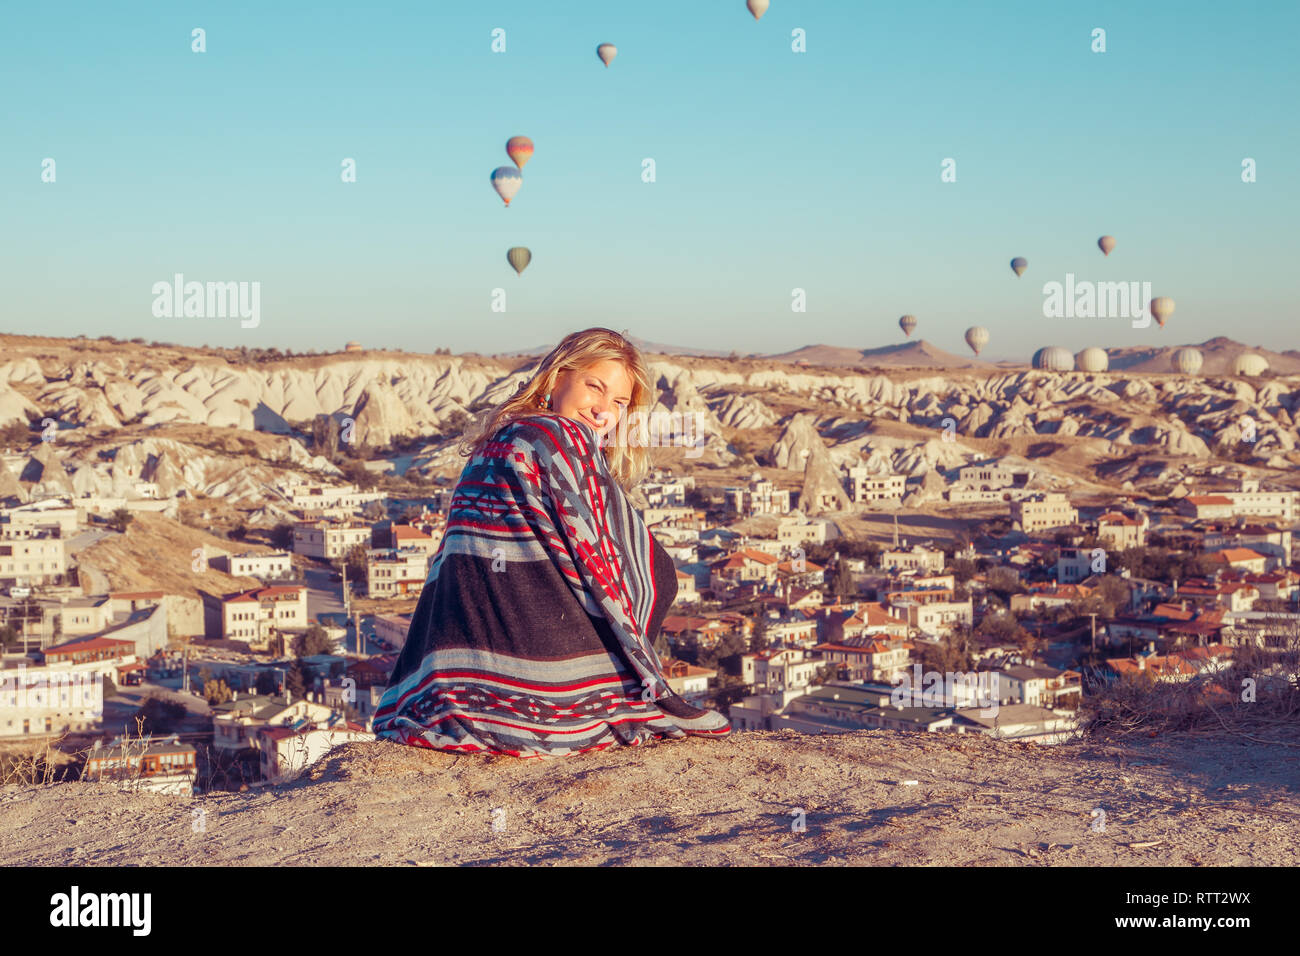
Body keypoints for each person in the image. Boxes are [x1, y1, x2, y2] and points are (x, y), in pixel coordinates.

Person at [371, 327, 731, 758]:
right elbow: (619, 566)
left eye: (618, 403)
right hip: (551, 701)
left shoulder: (500, 439)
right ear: (558, 377)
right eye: (594, 387)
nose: (603, 412)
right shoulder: (559, 438)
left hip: (451, 691)